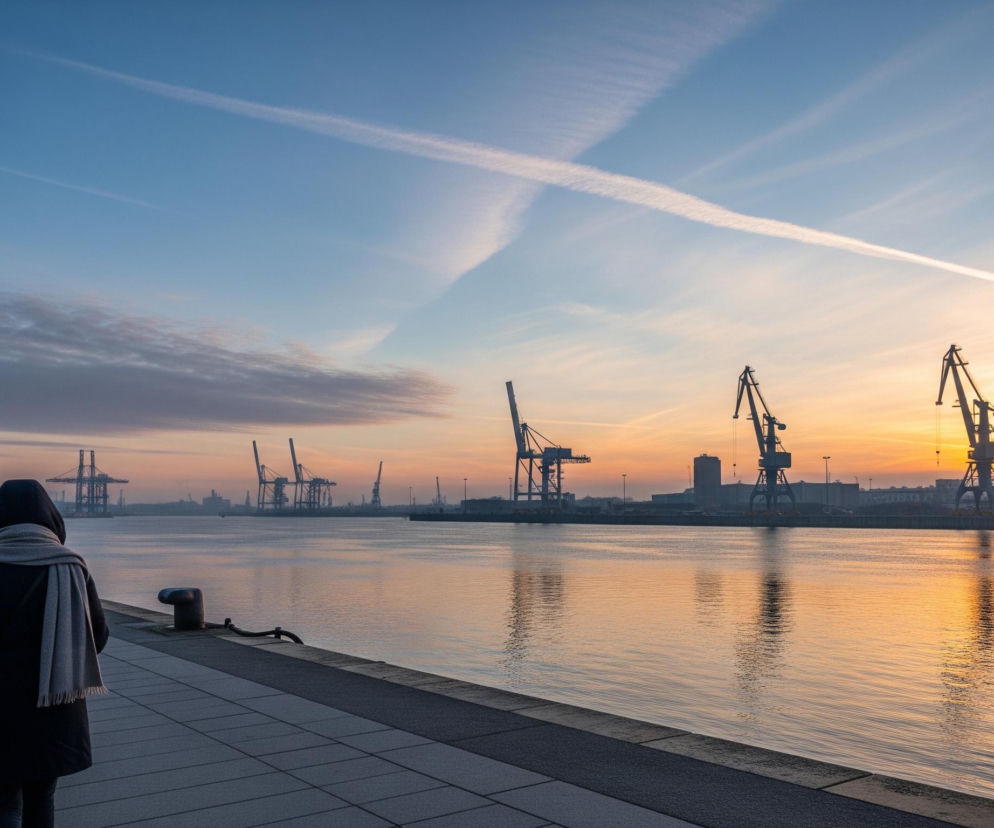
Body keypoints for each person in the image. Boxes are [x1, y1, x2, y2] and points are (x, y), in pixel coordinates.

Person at [0, 480, 108, 828]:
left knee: (3, 799)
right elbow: (98, 638)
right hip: (52, 704)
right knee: (41, 796)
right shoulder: (70, 567)